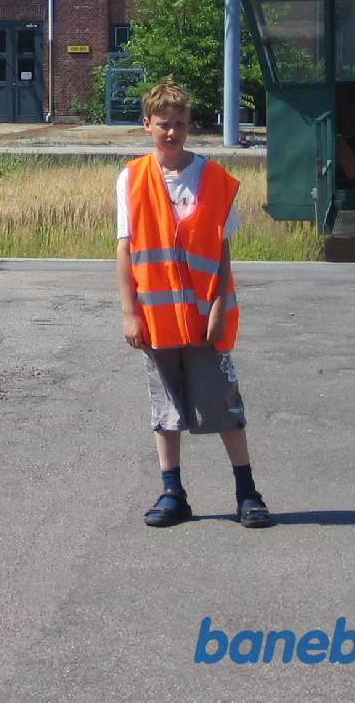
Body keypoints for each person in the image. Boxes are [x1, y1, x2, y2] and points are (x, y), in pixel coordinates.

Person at [115, 77, 273, 528]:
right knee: (165, 409)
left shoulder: (213, 179)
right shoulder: (131, 179)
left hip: (207, 320)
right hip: (157, 320)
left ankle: (247, 492)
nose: (172, 132)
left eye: (180, 124)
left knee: (224, 405)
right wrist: (130, 313)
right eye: (164, 124)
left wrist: (221, 306)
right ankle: (172, 492)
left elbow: (222, 251)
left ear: (189, 126)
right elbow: (125, 250)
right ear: (147, 125)